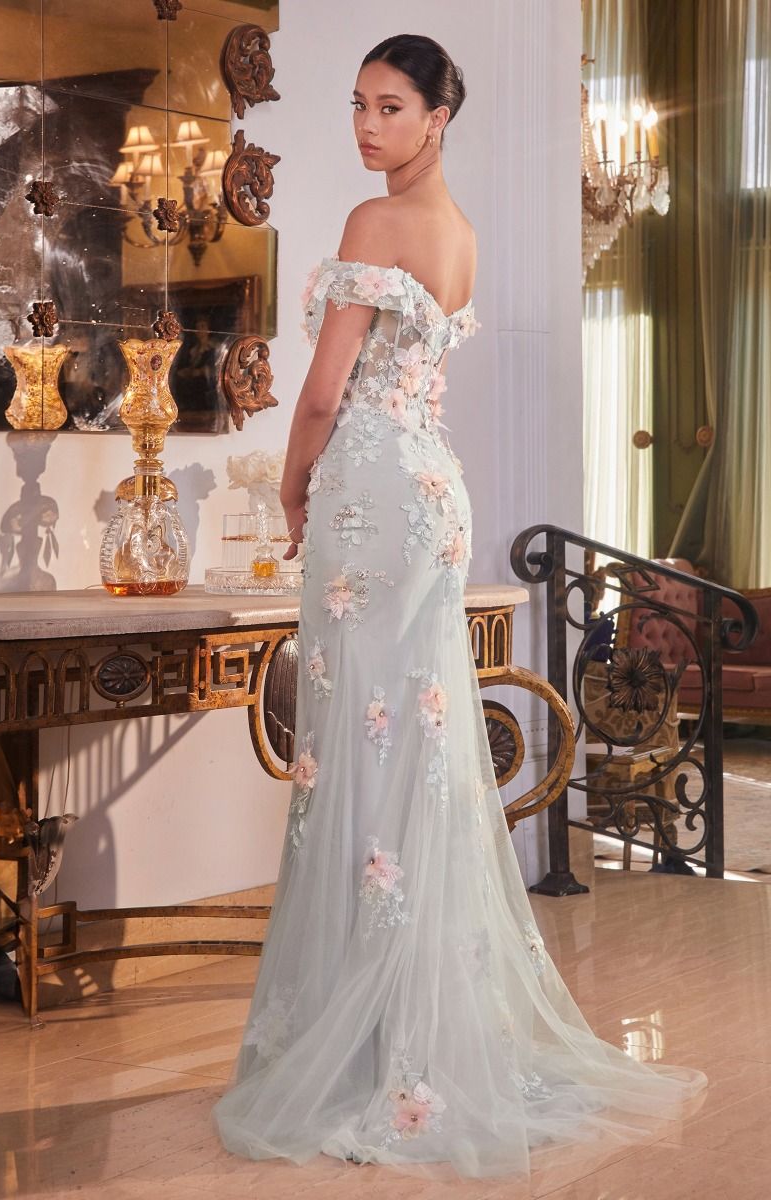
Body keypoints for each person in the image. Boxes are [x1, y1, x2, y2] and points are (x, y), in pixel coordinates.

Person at [212, 33, 707, 1183]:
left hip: (368, 493)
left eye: (388, 107)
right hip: (429, 488)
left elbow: (325, 394)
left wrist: (291, 485)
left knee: (353, 757)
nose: (363, 127)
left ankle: (373, 1045)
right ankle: (417, 1034)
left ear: (438, 116)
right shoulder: (461, 238)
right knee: (415, 754)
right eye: (355, 105)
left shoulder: (371, 227)